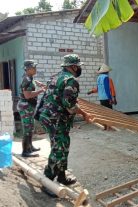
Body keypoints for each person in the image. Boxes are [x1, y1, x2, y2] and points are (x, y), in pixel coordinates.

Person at [36, 54, 91, 187]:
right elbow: (69, 105)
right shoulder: (71, 80)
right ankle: (47, 182)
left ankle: (61, 177)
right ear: (73, 66)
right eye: (78, 66)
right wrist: (84, 113)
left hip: (48, 116)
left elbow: (49, 97)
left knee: (63, 145)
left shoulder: (55, 77)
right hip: (56, 119)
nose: (79, 69)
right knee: (59, 148)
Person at [17, 60, 45, 157]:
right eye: (34, 67)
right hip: (26, 106)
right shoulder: (27, 80)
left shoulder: (29, 77)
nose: (35, 69)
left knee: (31, 127)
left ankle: (30, 146)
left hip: (29, 106)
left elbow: (32, 82)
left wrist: (38, 83)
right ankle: (25, 151)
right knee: (27, 129)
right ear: (28, 69)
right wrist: (40, 90)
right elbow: (28, 95)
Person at [87, 64, 117, 130]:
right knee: (109, 113)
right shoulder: (107, 78)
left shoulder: (99, 78)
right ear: (107, 71)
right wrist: (112, 98)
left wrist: (91, 91)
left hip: (101, 98)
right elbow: (109, 89)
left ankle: (105, 127)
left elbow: (97, 89)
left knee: (104, 113)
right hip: (107, 98)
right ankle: (109, 127)